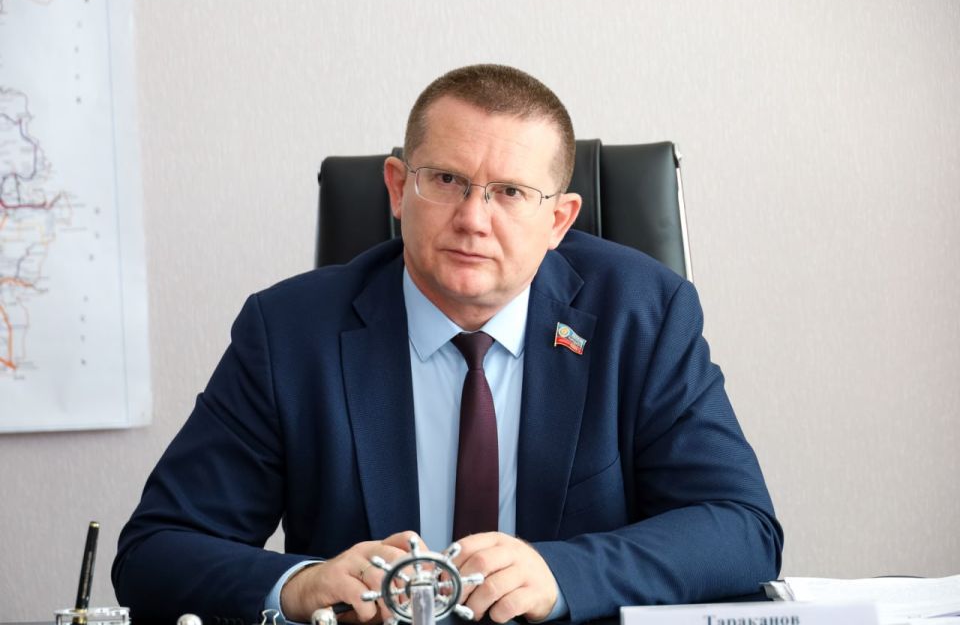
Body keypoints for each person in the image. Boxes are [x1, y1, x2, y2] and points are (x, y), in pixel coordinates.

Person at [112, 64, 783, 625]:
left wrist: (562, 573)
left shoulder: (642, 316)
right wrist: (300, 585)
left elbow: (740, 528)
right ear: (397, 187)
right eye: (446, 180)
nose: (472, 219)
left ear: (558, 220)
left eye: (510, 192)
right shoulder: (289, 331)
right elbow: (156, 550)